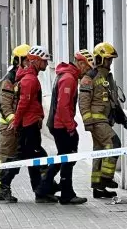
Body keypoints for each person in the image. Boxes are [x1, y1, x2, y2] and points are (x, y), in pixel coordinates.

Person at [36, 50, 94, 205]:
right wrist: (70, 127)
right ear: (81, 64)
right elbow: (63, 107)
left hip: (59, 123)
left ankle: (46, 188)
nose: (87, 73)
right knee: (67, 158)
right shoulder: (69, 78)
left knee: (64, 157)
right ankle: (62, 192)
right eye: (87, 68)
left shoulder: (67, 75)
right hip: (61, 125)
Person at [79, 42, 127, 199]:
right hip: (96, 121)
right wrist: (87, 121)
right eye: (108, 59)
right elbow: (83, 102)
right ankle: (106, 179)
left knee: (100, 151)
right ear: (100, 59)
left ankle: (98, 188)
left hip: (105, 120)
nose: (110, 63)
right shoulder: (89, 78)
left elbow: (114, 101)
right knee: (114, 144)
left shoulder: (108, 77)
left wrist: (122, 119)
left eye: (111, 60)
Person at [9, 45, 53, 202]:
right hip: (28, 126)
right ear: (35, 61)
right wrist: (16, 122)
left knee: (33, 159)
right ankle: (3, 184)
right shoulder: (30, 80)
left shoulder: (30, 78)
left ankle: (41, 191)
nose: (47, 65)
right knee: (33, 157)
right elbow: (23, 103)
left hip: (31, 123)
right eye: (44, 61)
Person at [0, 44, 31, 202]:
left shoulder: (22, 77)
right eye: (26, 60)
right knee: (5, 157)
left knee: (11, 157)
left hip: (16, 125)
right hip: (9, 126)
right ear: (18, 60)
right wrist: (14, 120)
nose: (29, 63)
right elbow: (5, 104)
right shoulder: (10, 79)